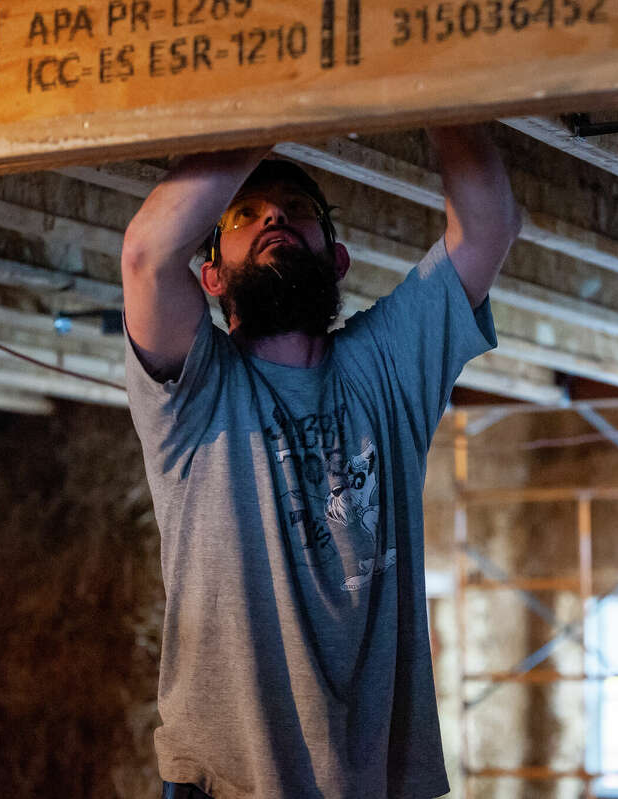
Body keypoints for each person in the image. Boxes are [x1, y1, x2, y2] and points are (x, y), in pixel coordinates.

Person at [121, 125, 521, 799]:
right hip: (226, 785)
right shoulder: (195, 393)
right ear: (210, 273)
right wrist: (281, 110)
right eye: (245, 216)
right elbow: (145, 257)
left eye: (297, 210)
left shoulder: (385, 369)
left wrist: (437, 81)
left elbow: (489, 225)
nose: (275, 215)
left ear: (336, 259)